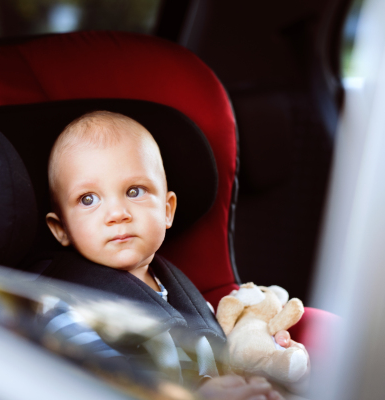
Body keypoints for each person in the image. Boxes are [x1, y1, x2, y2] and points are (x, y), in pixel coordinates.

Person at [34, 110, 302, 400]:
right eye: (88, 199)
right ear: (60, 228)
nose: (117, 214)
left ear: (166, 210)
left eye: (135, 191)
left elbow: (216, 357)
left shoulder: (180, 291)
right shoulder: (69, 309)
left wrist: (262, 361)